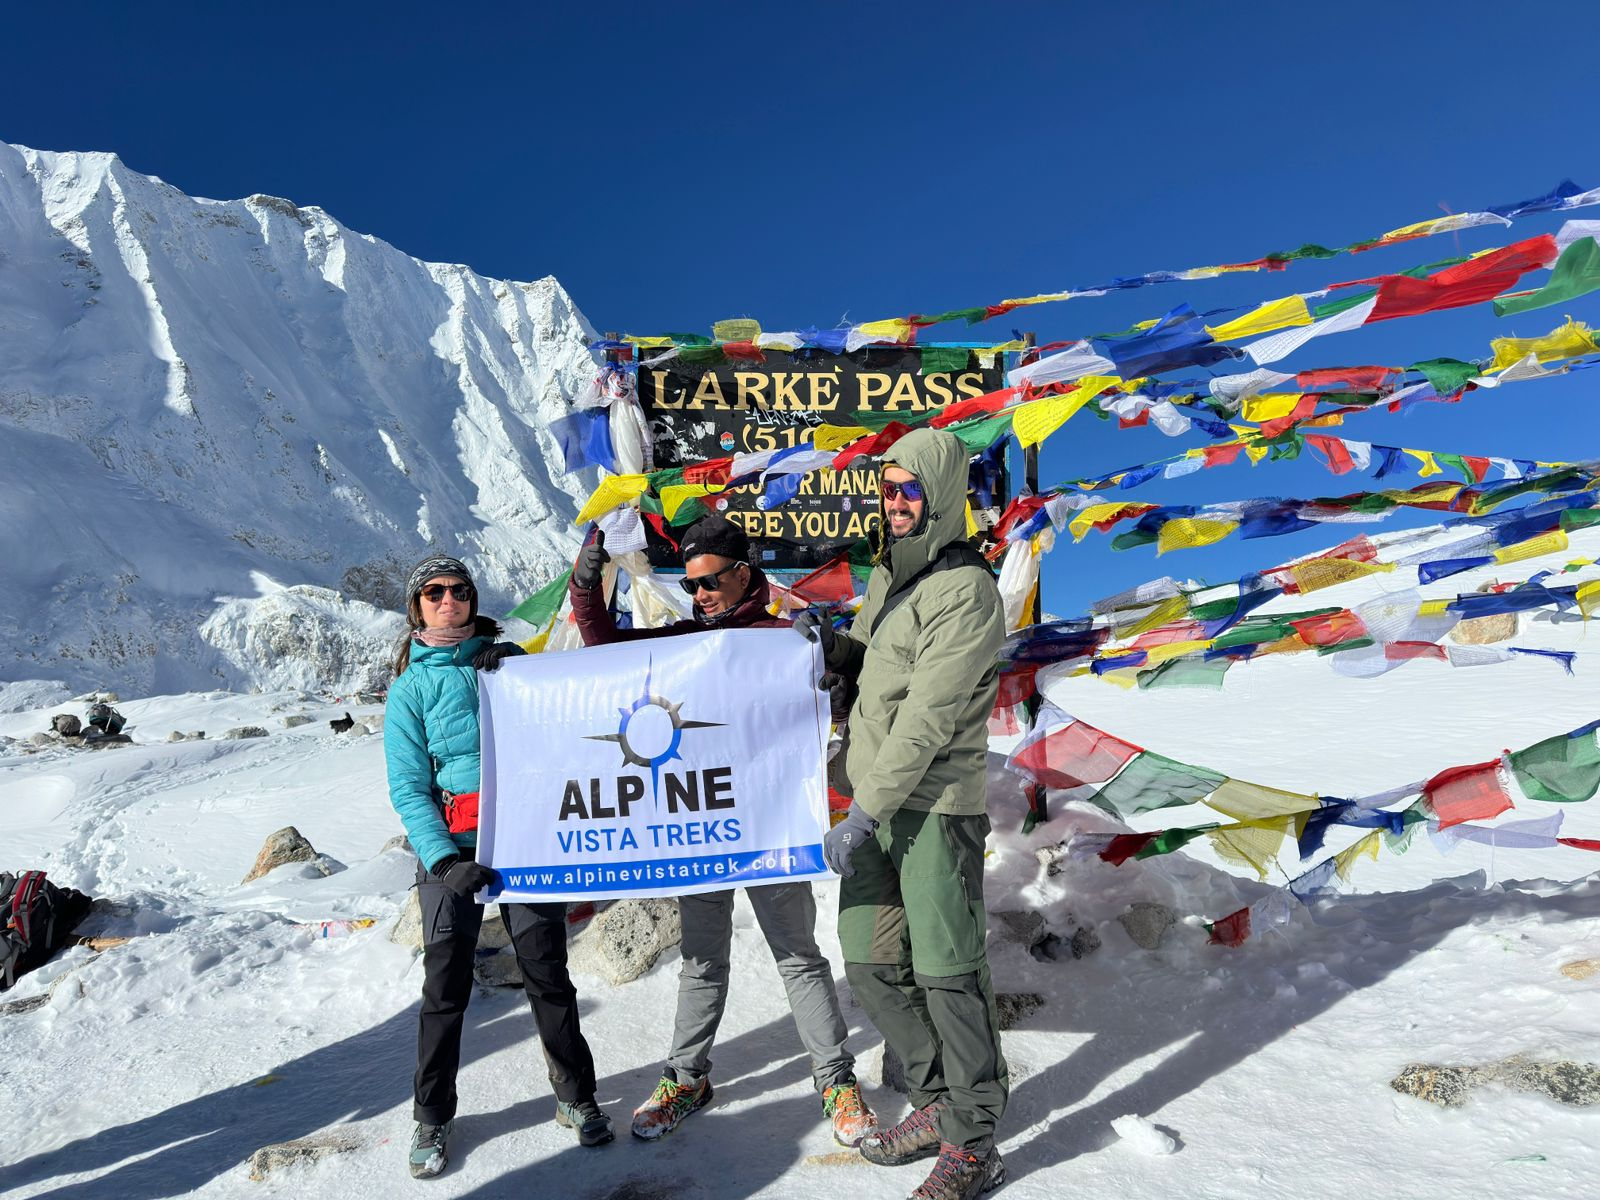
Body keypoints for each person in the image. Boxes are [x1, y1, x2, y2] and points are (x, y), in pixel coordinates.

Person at [568, 513, 876, 1147]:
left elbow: (864, 693)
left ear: (745, 574)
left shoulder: (786, 638)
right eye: (689, 585)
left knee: (797, 954)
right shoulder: (683, 640)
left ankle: (835, 1078)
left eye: (708, 582)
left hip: (769, 823)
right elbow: (605, 654)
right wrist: (584, 587)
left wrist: (840, 690)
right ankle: (687, 1077)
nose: (699, 596)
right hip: (702, 827)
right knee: (702, 959)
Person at [796, 428, 1009, 1200]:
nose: (894, 503)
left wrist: (861, 812)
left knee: (950, 973)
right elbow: (872, 660)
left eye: (908, 490)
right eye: (886, 490)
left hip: (932, 806)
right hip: (876, 809)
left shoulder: (967, 590)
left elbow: (926, 718)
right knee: (874, 965)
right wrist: (836, 650)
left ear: (942, 495)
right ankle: (935, 1101)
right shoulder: (895, 576)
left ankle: (975, 1140)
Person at [385, 554, 612, 1179]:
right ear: (418, 608)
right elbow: (409, 786)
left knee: (547, 969)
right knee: (445, 987)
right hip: (450, 849)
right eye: (434, 592)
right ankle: (432, 1118)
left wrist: (515, 670)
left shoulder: (508, 666)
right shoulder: (409, 690)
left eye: (459, 590)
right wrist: (441, 858)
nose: (449, 600)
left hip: (523, 835)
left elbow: (560, 724)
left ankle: (575, 1096)